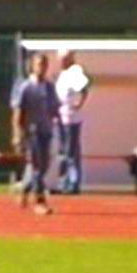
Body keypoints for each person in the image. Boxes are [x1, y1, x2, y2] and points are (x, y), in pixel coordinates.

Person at [11, 53, 60, 215]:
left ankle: (24, 188)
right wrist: (18, 134)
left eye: (44, 64)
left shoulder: (49, 87)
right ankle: (40, 201)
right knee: (37, 166)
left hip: (46, 131)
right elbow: (18, 112)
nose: (42, 67)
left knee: (42, 166)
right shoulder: (25, 87)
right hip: (31, 132)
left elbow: (54, 108)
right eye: (39, 64)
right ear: (32, 65)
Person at [55, 50, 90, 194]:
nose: (61, 62)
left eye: (63, 59)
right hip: (61, 116)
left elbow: (84, 89)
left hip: (71, 118)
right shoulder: (63, 73)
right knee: (63, 150)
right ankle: (63, 182)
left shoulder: (75, 71)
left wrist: (78, 104)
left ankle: (72, 182)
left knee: (70, 151)